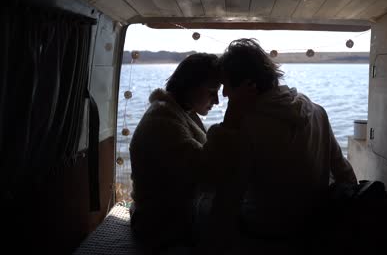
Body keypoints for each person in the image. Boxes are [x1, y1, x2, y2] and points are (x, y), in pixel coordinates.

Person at [203, 38, 357, 252]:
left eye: (227, 86)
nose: (225, 94)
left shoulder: (245, 127)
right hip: (316, 222)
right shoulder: (317, 111)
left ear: (247, 85)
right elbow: (343, 171)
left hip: (267, 230)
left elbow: (228, 196)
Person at [128, 53, 220, 252]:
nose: (217, 101)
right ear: (190, 86)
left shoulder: (178, 111)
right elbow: (208, 174)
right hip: (158, 226)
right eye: (212, 91)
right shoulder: (162, 121)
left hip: (166, 216)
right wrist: (234, 121)